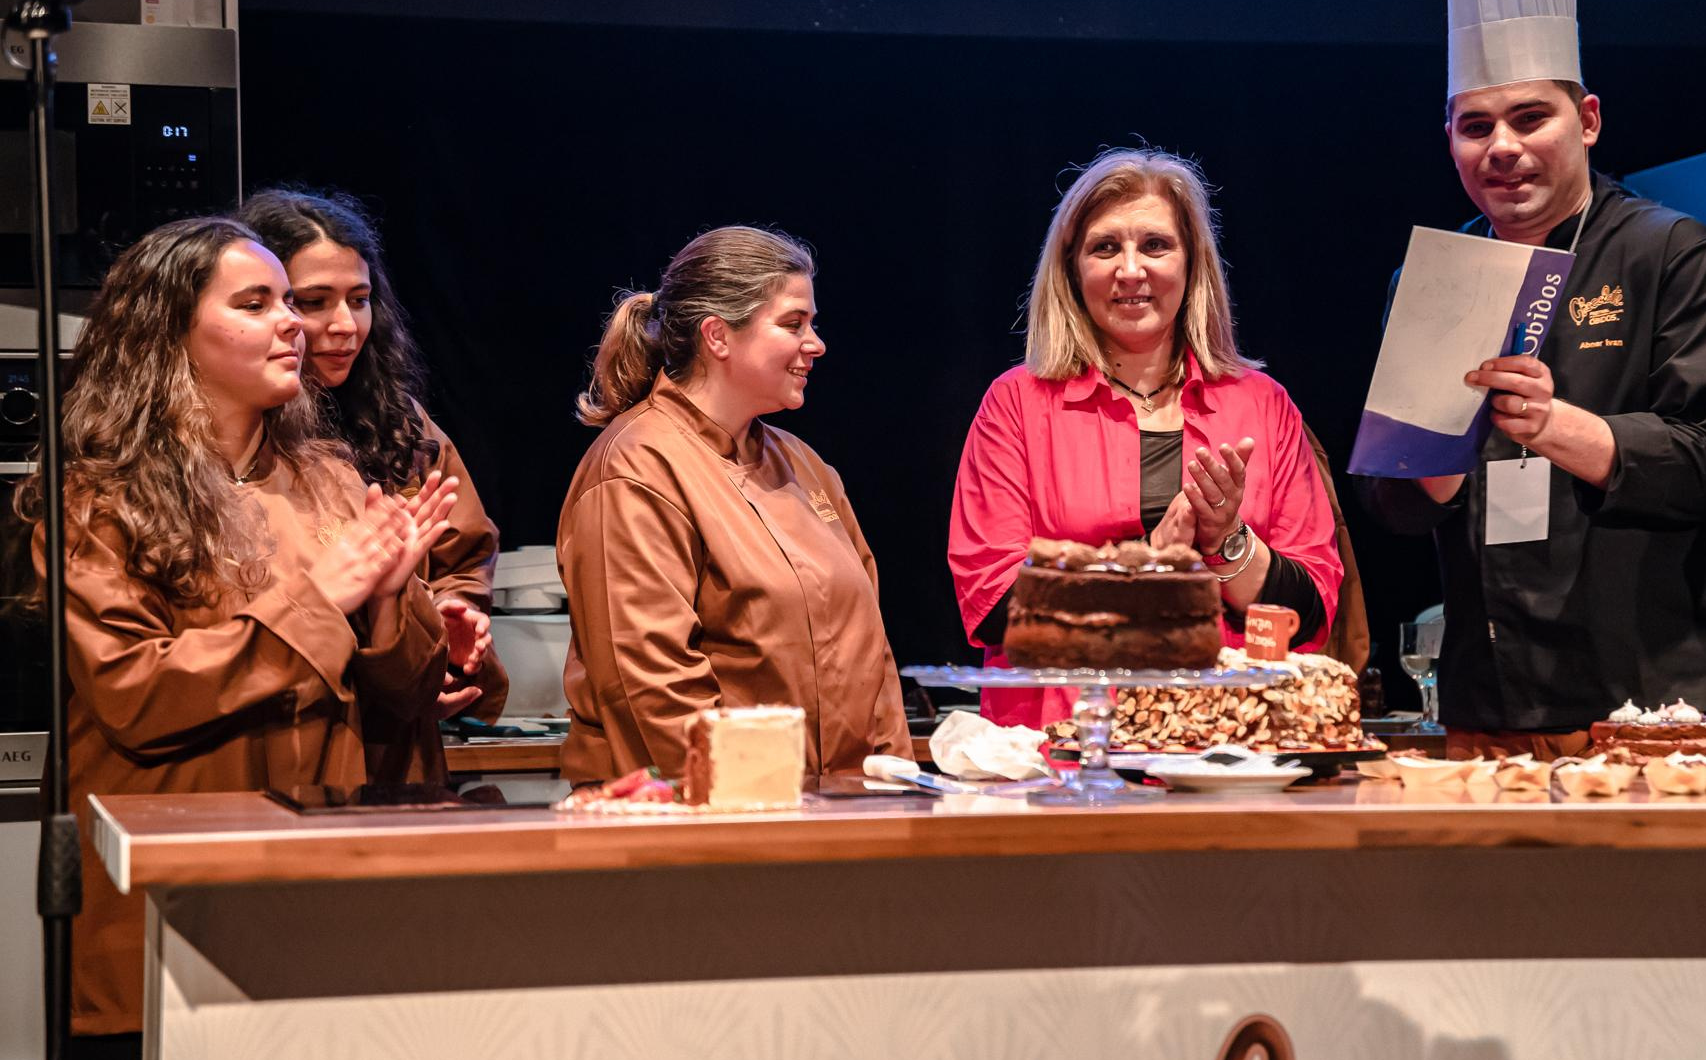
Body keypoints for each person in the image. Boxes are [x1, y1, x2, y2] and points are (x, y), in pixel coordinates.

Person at [15, 218, 470, 1060]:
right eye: (256, 303)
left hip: (319, 898)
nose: (293, 322)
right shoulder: (94, 501)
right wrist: (321, 599)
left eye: (287, 301)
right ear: (168, 332)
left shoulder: (331, 479)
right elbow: (135, 693)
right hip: (170, 901)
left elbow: (408, 697)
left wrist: (388, 603)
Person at [1360, 0, 1706, 761]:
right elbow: (1394, 501)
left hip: (1650, 716)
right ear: (1449, 139)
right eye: (1475, 126)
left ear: (1589, 119)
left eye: (1530, 117)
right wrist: (1435, 456)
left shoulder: (1670, 249)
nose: (1502, 147)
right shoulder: (1436, 277)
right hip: (1484, 712)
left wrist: (1555, 424)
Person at [949, 148, 1346, 729]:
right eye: (1105, 247)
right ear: (1072, 269)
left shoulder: (1262, 404)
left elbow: (1308, 615)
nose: (1131, 270)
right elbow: (990, 602)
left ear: (1192, 264)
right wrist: (1150, 564)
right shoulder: (1016, 404)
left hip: (1224, 741)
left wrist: (1226, 539)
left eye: (1155, 245)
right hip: (1060, 744)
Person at [557, 226, 911, 782]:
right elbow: (652, 685)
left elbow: (874, 656)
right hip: (714, 812)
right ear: (718, 336)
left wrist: (891, 784)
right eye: (793, 324)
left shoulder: (805, 465)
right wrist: (751, 801)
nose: (816, 344)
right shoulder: (636, 466)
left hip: (836, 809)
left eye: (811, 324)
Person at [240, 188, 506, 782]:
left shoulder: (401, 425)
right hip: (282, 731)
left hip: (394, 737)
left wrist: (448, 622)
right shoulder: (239, 430)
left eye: (360, 301)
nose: (344, 325)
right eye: (314, 302)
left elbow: (462, 554)